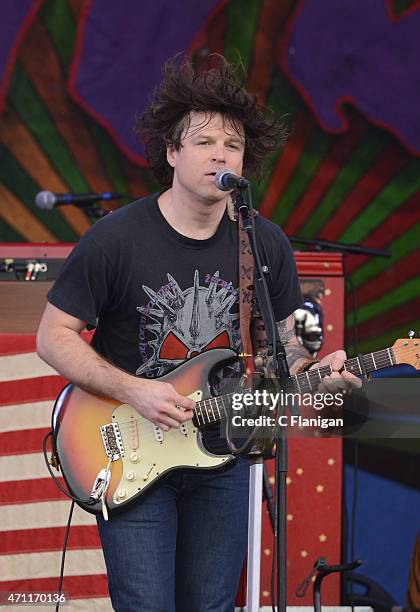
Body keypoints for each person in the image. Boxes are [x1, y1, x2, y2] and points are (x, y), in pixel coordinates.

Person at [37, 57, 361, 612]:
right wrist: (135, 389)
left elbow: (283, 353)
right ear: (171, 152)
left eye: (231, 146)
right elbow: (53, 337)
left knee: (211, 605)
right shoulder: (116, 239)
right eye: (204, 141)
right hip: (130, 447)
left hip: (221, 453)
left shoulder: (263, 243)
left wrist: (318, 375)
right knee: (145, 604)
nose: (219, 154)